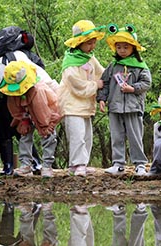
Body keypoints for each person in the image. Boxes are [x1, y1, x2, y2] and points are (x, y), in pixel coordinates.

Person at [0, 60, 54, 175]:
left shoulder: (11, 78)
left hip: (24, 103)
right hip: (5, 107)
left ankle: (35, 163)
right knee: (1, 126)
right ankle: (8, 165)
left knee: (22, 129)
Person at [97, 24, 151, 176]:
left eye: (125, 47)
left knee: (135, 136)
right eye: (119, 47)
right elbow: (105, 82)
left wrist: (132, 88)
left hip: (133, 107)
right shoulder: (113, 66)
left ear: (133, 47)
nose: (121, 50)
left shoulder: (141, 66)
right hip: (115, 107)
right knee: (116, 136)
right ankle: (118, 164)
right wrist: (102, 98)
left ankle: (140, 164)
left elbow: (146, 83)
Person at [59, 20, 106, 176]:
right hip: (72, 105)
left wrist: (111, 78)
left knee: (87, 135)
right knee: (77, 135)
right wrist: (96, 85)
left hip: (86, 105)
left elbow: (101, 73)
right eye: (89, 43)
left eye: (94, 43)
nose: (92, 46)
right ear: (79, 43)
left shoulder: (90, 58)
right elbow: (77, 86)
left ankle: (82, 163)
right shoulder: (70, 64)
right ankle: (77, 163)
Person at [0, 61, 61, 177]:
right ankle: (25, 165)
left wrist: (45, 126)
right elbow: (14, 108)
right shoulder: (13, 95)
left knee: (48, 136)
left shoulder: (38, 91)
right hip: (25, 113)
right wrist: (23, 120)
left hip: (44, 114)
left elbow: (44, 112)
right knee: (24, 136)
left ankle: (47, 166)